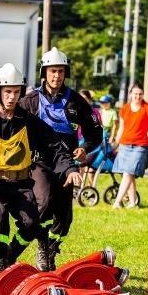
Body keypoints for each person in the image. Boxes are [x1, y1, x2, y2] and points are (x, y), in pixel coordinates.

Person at [0, 63, 83, 276]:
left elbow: (54, 147)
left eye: (16, 92)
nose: (12, 97)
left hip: (22, 184)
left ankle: (9, 256)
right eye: (7, 92)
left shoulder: (30, 122)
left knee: (32, 224)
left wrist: (70, 169)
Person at [19, 47, 103, 271]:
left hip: (68, 167)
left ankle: (53, 247)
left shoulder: (76, 101)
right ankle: (42, 245)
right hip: (40, 164)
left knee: (64, 219)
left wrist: (84, 148)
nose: (56, 76)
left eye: (60, 71)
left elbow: (95, 131)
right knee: (44, 203)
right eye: (52, 71)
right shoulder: (30, 100)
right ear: (44, 72)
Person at [111, 83, 148, 207]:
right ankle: (133, 203)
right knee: (128, 174)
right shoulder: (125, 108)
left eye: (140, 94)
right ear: (131, 94)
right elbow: (121, 128)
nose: (138, 96)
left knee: (128, 172)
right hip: (125, 145)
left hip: (140, 145)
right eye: (135, 94)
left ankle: (117, 202)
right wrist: (115, 145)